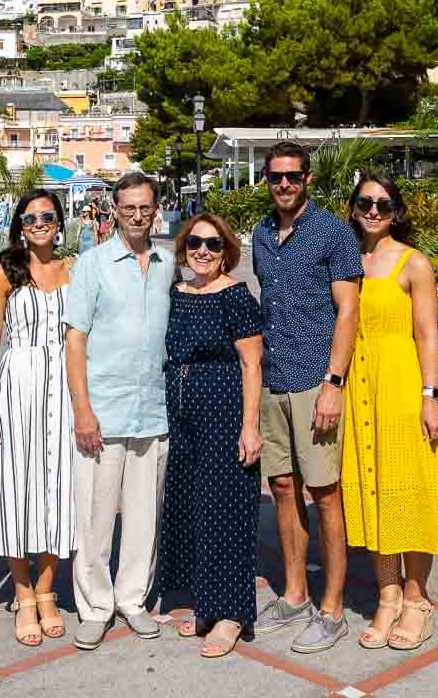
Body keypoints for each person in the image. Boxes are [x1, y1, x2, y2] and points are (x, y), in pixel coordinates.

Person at [252, 140, 363, 654]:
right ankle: (294, 594)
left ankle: (332, 608)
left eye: (293, 177)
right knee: (280, 488)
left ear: (308, 179)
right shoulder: (260, 235)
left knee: (324, 494)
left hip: (316, 383)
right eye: (276, 177)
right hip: (274, 381)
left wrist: (333, 384)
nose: (284, 185)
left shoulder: (332, 232)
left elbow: (348, 311)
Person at [343, 173, 438, 651]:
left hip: (402, 386)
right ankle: (386, 596)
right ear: (353, 208)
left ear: (396, 211)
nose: (374, 211)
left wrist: (431, 395)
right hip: (357, 389)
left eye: (384, 204)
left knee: (409, 490)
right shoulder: (347, 260)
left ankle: (416, 601)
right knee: (373, 488)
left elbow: (428, 334)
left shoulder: (415, 263)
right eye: (366, 202)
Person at [64, 172, 174, 650]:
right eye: (127, 207)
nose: (136, 215)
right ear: (114, 210)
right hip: (103, 410)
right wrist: (82, 410)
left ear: (156, 209)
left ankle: (132, 599)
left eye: (144, 207)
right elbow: (74, 339)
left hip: (152, 407)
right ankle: (94, 606)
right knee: (93, 516)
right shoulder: (92, 264)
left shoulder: (170, 261)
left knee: (144, 514)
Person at [160, 214, 263, 659]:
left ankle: (231, 615)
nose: (203, 251)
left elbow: (252, 364)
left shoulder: (235, 296)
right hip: (181, 415)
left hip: (224, 410)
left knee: (227, 509)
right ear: (184, 248)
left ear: (227, 254)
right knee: (192, 507)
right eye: (196, 243)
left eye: (213, 245)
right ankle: (206, 603)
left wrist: (250, 425)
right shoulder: (177, 294)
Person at [0, 189, 76, 647]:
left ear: (59, 222)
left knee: (57, 488)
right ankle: (23, 592)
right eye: (31, 216)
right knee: (17, 487)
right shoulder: (4, 274)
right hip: (17, 387)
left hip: (64, 389)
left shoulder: (74, 269)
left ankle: (47, 590)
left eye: (47, 216)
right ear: (19, 224)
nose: (39, 223)